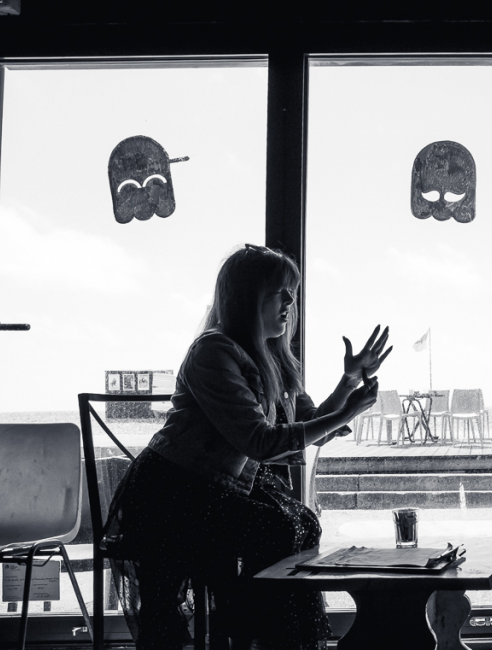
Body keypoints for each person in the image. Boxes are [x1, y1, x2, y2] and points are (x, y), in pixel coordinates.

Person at [103, 243, 391, 650]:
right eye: (280, 291)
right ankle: (255, 630)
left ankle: (273, 633)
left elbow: (306, 429)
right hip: (172, 493)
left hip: (216, 489)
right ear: (246, 298)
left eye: (292, 291)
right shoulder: (213, 351)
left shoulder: (272, 355)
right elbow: (260, 442)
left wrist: (348, 382)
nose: (291, 301)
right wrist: (346, 413)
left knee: (301, 521)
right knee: (278, 526)